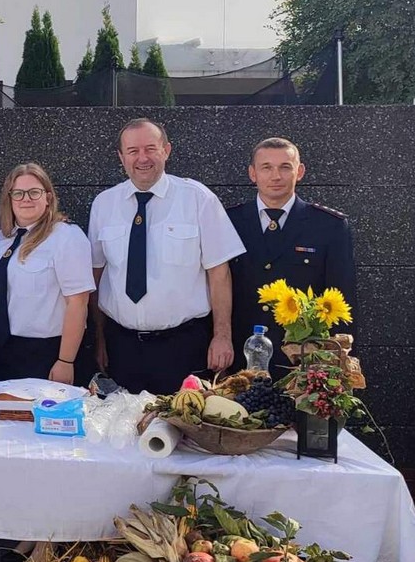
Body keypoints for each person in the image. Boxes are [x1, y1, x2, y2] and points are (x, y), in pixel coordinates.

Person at [88, 117, 245, 395]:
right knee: (123, 421)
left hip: (184, 346)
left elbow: (219, 273)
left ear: (166, 150)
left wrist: (222, 336)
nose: (142, 158)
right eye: (133, 151)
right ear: (121, 157)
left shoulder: (198, 198)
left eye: (151, 148)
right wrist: (99, 340)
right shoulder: (104, 204)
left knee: (184, 422)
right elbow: (97, 276)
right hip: (122, 348)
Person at [227, 137, 355, 373]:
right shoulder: (228, 221)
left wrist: (335, 365)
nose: (276, 176)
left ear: (300, 171)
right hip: (240, 355)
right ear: (252, 173)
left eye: (285, 167)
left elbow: (341, 298)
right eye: (266, 167)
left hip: (304, 360)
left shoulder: (329, 226)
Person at [0, 163, 93, 384]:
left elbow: (78, 303)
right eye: (18, 193)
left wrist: (65, 361)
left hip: (47, 352)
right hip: (1, 351)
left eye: (34, 192)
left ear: (48, 197)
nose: (26, 199)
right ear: (9, 198)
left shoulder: (66, 237)